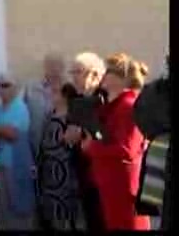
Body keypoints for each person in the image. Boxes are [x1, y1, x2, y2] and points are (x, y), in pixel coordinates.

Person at [81, 53, 151, 230]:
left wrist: (92, 147)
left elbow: (127, 149)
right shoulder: (114, 107)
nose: (103, 74)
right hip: (112, 184)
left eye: (108, 71)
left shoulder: (128, 106)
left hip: (123, 187)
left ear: (121, 78)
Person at [62, 51, 106, 231]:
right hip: (83, 170)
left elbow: (107, 132)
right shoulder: (77, 100)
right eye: (72, 73)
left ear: (94, 74)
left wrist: (81, 132)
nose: (73, 78)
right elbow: (70, 133)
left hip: (103, 172)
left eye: (78, 72)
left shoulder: (105, 97)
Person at [0, 72, 36, 230]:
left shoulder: (20, 108)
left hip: (15, 168)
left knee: (18, 211)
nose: (1, 89)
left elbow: (11, 133)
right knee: (1, 213)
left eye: (5, 85)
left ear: (15, 88)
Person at [36, 79, 83, 230]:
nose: (51, 94)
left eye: (55, 92)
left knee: (63, 218)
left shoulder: (71, 119)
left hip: (65, 176)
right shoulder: (51, 115)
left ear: (64, 96)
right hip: (48, 177)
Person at [133, 55, 171, 230]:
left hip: (158, 152)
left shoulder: (153, 91)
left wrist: (157, 134)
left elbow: (141, 118)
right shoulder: (155, 92)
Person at [23, 53, 66, 159]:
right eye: (51, 65)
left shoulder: (69, 89)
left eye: (58, 65)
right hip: (35, 148)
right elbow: (19, 113)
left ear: (63, 67)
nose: (55, 69)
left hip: (62, 152)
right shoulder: (31, 88)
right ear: (45, 67)